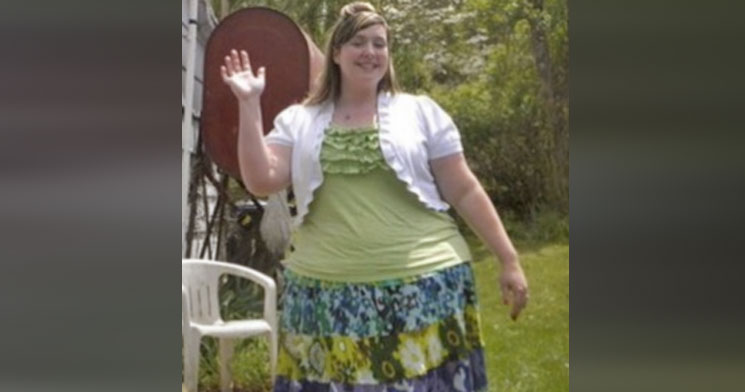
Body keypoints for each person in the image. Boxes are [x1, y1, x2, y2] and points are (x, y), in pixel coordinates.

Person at [220, 2, 528, 390]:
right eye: (358, 43)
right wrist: (249, 104)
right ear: (336, 52)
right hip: (324, 295)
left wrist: (508, 259)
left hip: (424, 289)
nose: (370, 52)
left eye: (379, 44)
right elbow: (262, 179)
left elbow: (463, 189)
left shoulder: (420, 112)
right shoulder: (300, 120)